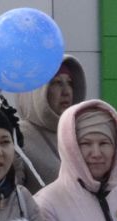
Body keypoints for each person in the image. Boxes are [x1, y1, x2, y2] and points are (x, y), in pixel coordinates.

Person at [12, 54, 84, 189]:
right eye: (57, 83)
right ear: (36, 91)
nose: (66, 91)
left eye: (70, 83)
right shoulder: (18, 138)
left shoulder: (81, 134)